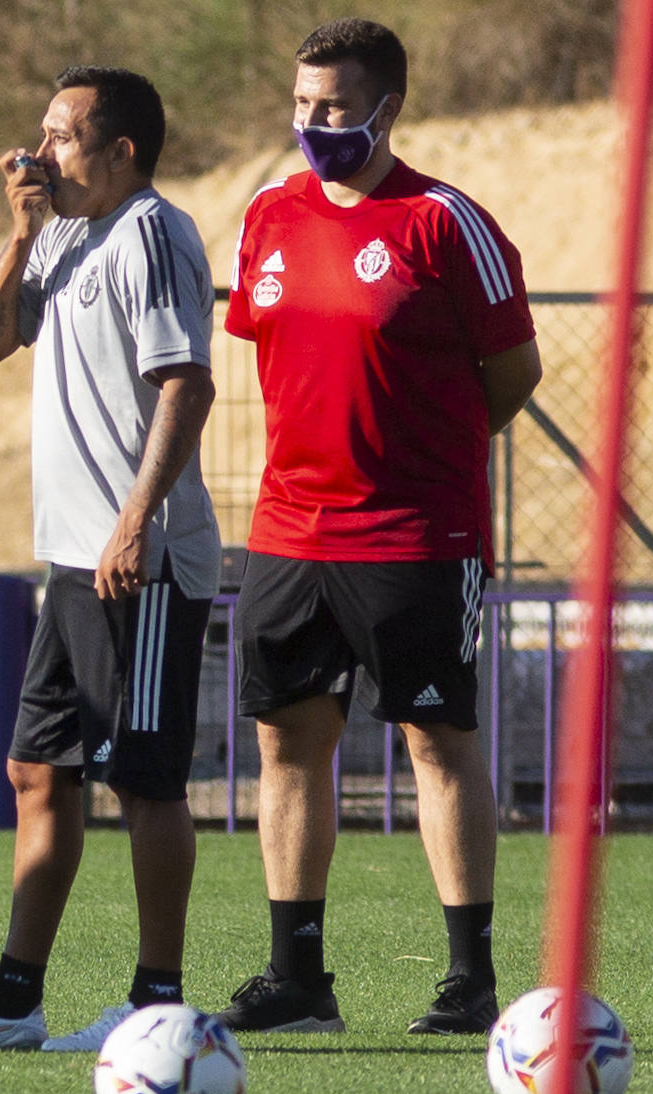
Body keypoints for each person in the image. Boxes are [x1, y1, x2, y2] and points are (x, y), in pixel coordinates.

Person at [215, 18, 542, 1036]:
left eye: (335, 107)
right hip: (288, 533)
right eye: (301, 104)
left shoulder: (445, 223)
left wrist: (432, 455)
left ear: (387, 108)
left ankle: (469, 980)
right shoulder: (267, 213)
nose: (313, 123)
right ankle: (298, 978)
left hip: (416, 535)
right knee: (287, 743)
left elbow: (514, 371)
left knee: (435, 741)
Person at [0, 66, 221, 1053]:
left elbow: (187, 385)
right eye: (39, 132)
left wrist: (135, 519)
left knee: (147, 781)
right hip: (72, 560)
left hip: (143, 559)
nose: (39, 152)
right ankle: (13, 1002)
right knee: (37, 771)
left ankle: (156, 999)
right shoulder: (63, 235)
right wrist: (19, 234)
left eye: (62, 135)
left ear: (121, 150)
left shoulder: (152, 233)